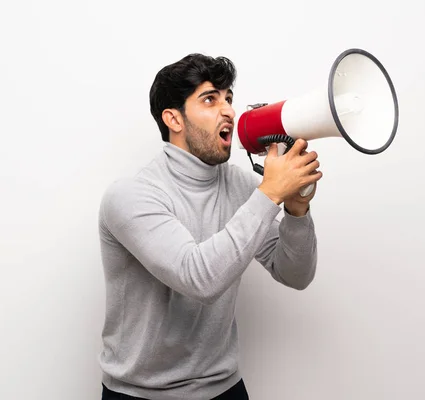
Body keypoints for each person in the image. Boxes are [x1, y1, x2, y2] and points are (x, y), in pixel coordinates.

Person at [97, 53, 323, 400]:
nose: (229, 110)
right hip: (141, 395)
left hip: (225, 389)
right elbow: (198, 279)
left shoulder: (242, 187)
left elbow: (295, 274)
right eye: (210, 99)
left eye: (229, 98)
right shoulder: (131, 196)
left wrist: (296, 210)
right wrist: (271, 193)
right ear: (173, 118)